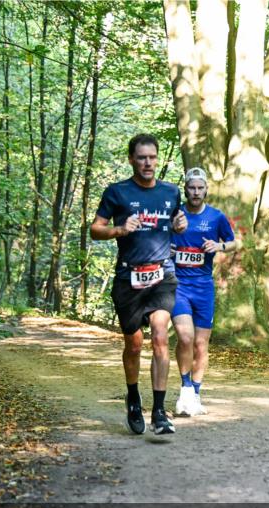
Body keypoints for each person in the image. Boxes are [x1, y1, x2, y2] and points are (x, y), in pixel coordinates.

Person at [90, 134, 187, 437]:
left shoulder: (171, 192)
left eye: (152, 157)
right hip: (128, 278)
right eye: (142, 157)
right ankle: (133, 398)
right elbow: (95, 229)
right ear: (131, 159)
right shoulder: (117, 192)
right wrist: (118, 229)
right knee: (133, 345)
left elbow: (177, 223)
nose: (148, 163)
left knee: (160, 335)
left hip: (162, 276)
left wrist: (180, 225)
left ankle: (159, 412)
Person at [170, 167, 238, 416]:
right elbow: (159, 241)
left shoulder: (216, 217)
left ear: (206, 190)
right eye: (191, 188)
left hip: (204, 287)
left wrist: (218, 245)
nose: (196, 192)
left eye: (200, 188)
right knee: (185, 337)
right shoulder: (175, 217)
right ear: (185, 189)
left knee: (200, 344)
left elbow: (233, 242)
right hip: (178, 286)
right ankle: (185, 388)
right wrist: (168, 250)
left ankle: (195, 394)